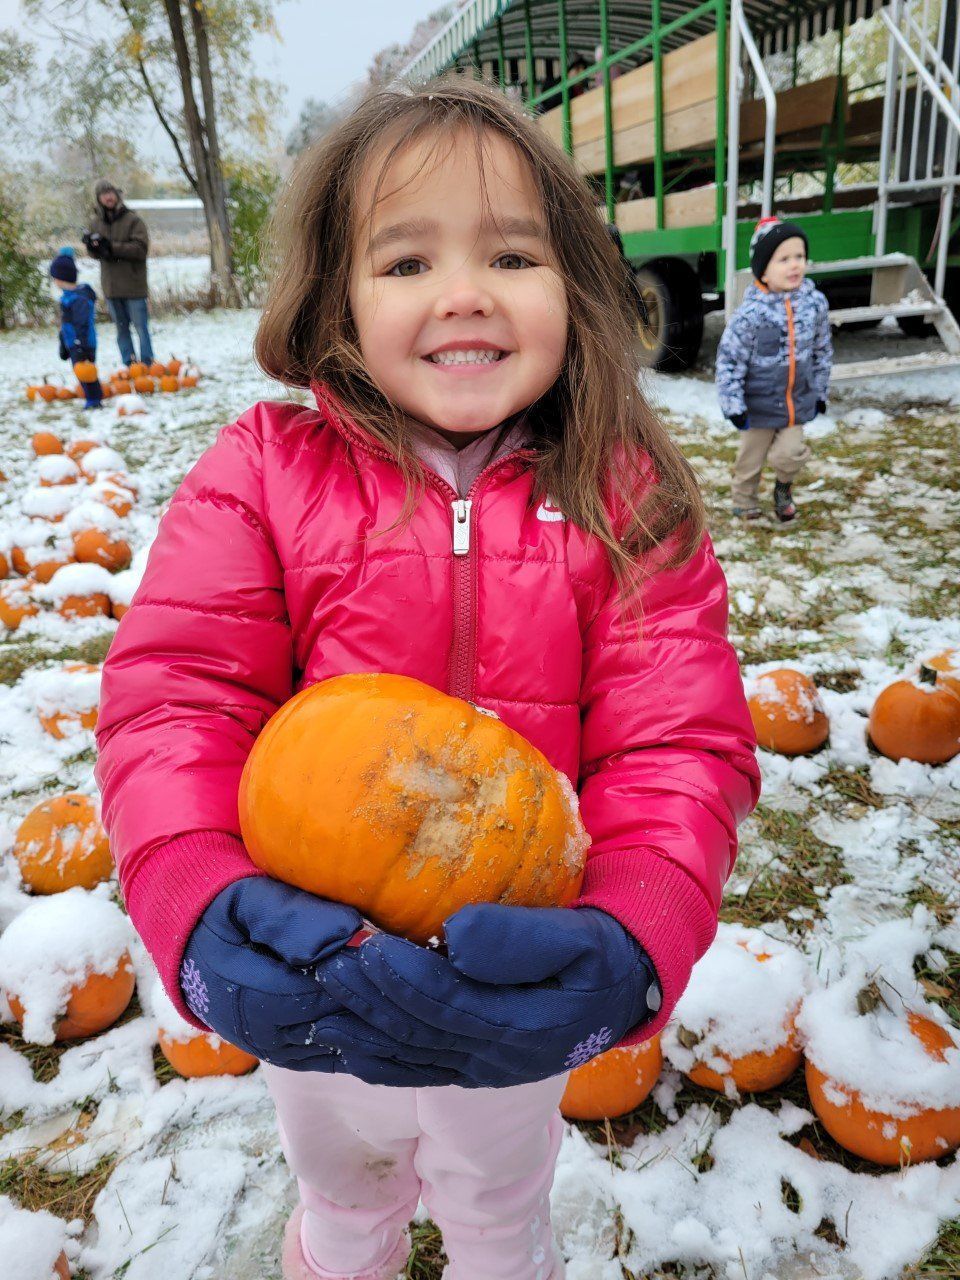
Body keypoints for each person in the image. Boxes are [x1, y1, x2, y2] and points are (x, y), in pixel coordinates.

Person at [95, 79, 760, 1280]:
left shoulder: (626, 499)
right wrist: (193, 890)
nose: (463, 293)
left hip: (524, 966)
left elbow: (681, 743)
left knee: (499, 1200)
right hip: (314, 964)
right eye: (405, 263)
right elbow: (179, 699)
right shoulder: (264, 473)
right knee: (344, 1189)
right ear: (336, 301)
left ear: (575, 284)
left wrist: (635, 928)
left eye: (511, 252)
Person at [716, 216, 833, 522]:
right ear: (763, 270)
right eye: (783, 259)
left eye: (799, 257)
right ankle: (744, 501)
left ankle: (783, 488)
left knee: (789, 454)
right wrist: (733, 406)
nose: (794, 265)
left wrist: (820, 392)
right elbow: (729, 361)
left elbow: (822, 351)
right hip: (758, 406)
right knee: (750, 460)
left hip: (797, 401)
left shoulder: (815, 304)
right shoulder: (750, 315)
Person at [83, 179, 155, 368]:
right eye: (104, 193)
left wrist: (111, 247)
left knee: (141, 328)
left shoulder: (133, 220)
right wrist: (91, 245)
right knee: (121, 330)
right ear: (99, 199)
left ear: (117, 195)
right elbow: (95, 254)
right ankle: (129, 365)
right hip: (111, 287)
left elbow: (141, 249)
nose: (108, 196)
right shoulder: (95, 223)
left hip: (134, 286)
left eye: (111, 192)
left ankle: (147, 364)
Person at [49, 248, 103, 409]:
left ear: (62, 278)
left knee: (87, 372)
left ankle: (94, 400)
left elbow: (82, 324)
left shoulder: (79, 299)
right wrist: (63, 340)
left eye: (55, 278)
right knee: (80, 372)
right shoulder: (68, 298)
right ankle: (91, 397)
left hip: (84, 343)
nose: (54, 282)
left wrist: (80, 346)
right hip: (74, 342)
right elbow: (67, 323)